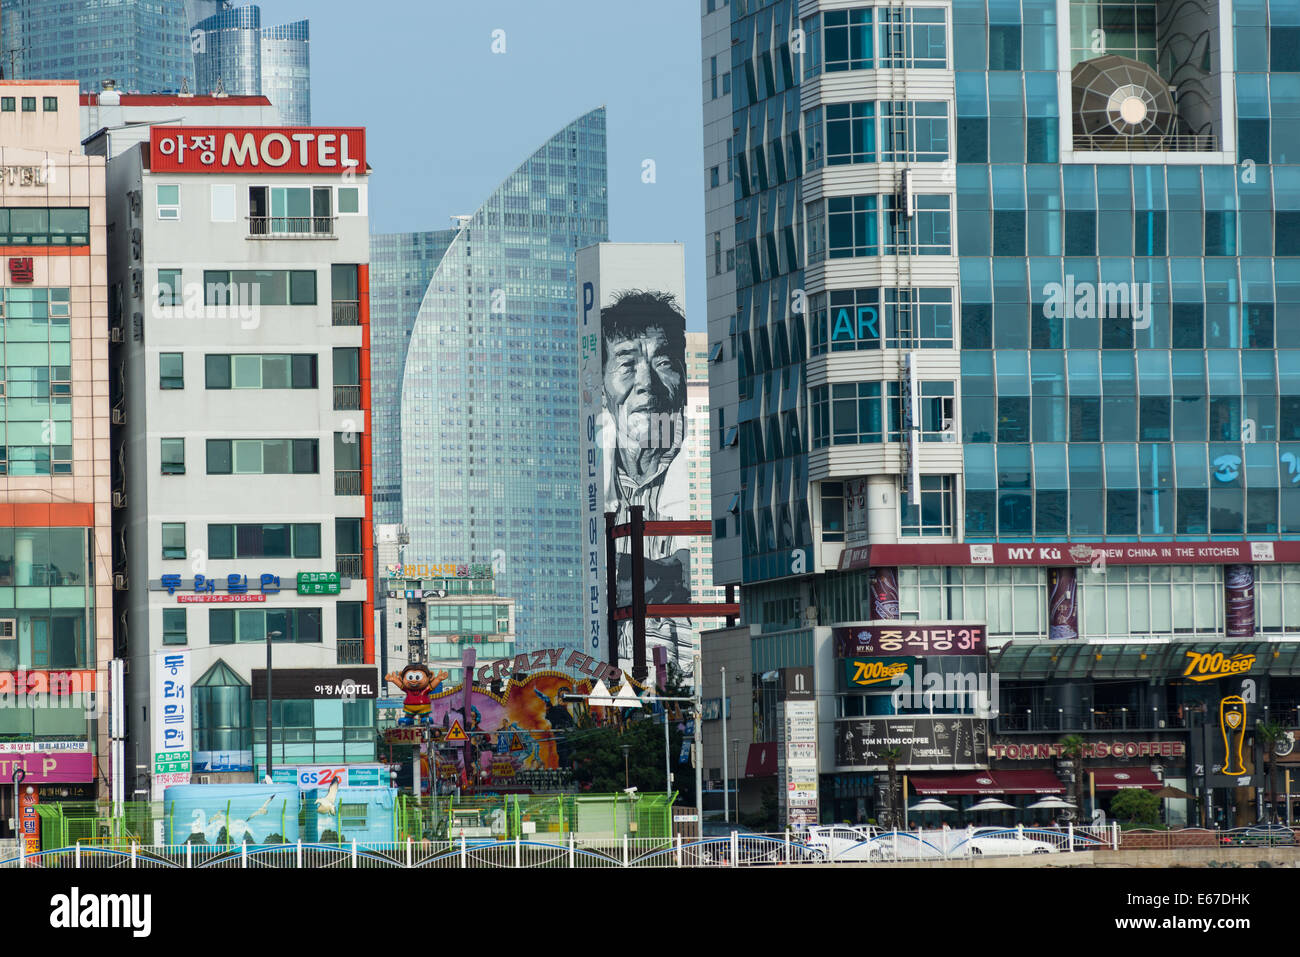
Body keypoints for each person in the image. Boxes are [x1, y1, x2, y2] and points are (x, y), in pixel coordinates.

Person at [598, 289, 692, 670]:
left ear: (683, 378)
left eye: (664, 362)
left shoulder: (705, 471)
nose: (646, 384)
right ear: (600, 384)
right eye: (626, 365)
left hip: (688, 678)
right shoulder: (586, 486)